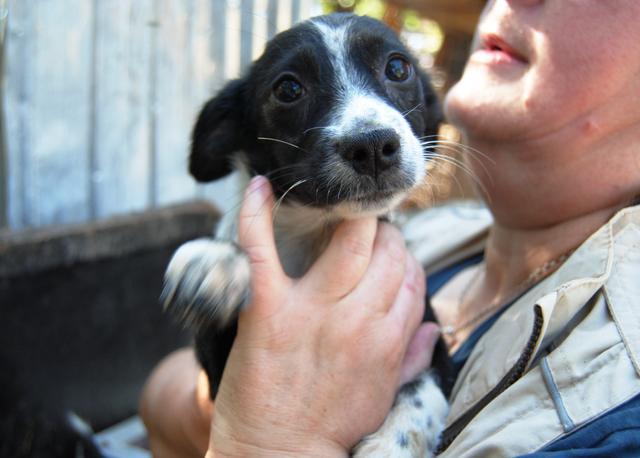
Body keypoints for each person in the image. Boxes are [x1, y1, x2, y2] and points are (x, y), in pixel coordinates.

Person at [140, 0, 640, 456]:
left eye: (394, 70)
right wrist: (228, 400)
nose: (367, 134)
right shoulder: (434, 233)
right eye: (291, 91)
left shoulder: (617, 411)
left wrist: (273, 438)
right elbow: (161, 394)